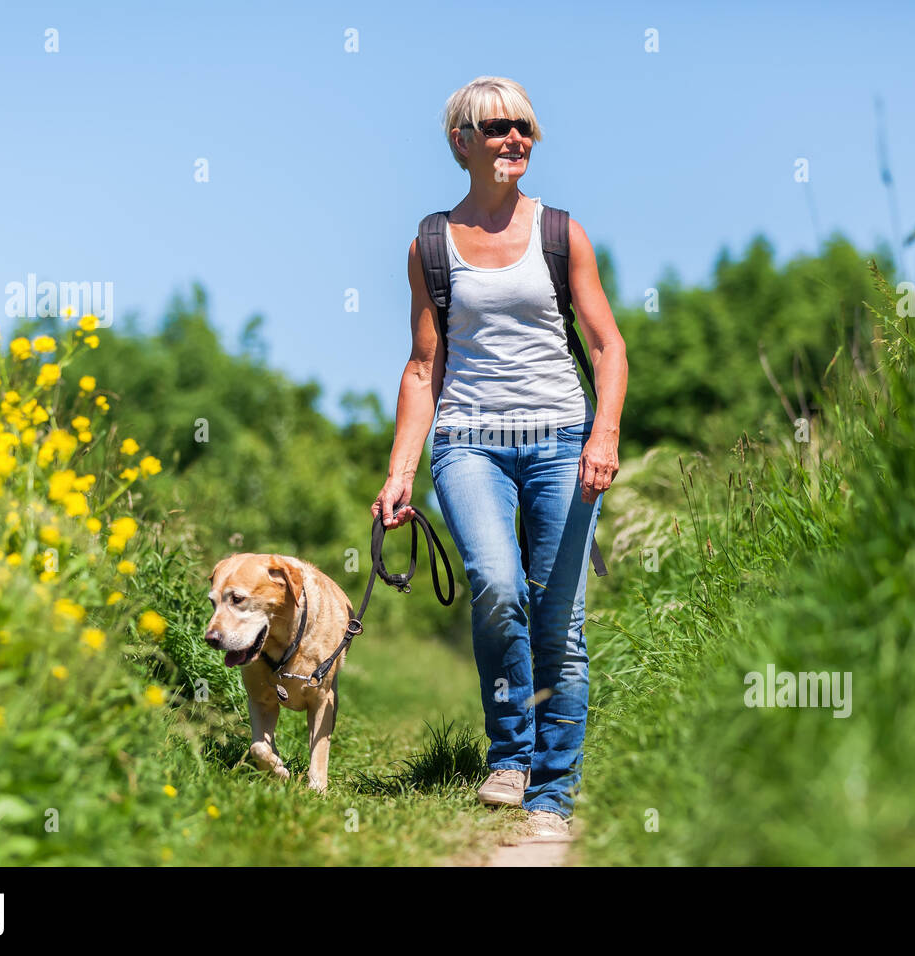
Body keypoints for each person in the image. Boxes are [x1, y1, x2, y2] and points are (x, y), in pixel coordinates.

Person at [372, 76, 627, 837]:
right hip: (469, 440)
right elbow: (424, 368)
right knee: (495, 583)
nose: (514, 137)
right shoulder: (429, 243)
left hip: (559, 440)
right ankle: (510, 755)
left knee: (561, 620)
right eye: (496, 128)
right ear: (462, 142)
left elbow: (610, 347)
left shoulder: (561, 233)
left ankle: (553, 794)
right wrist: (399, 472)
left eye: (523, 126)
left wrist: (604, 434)